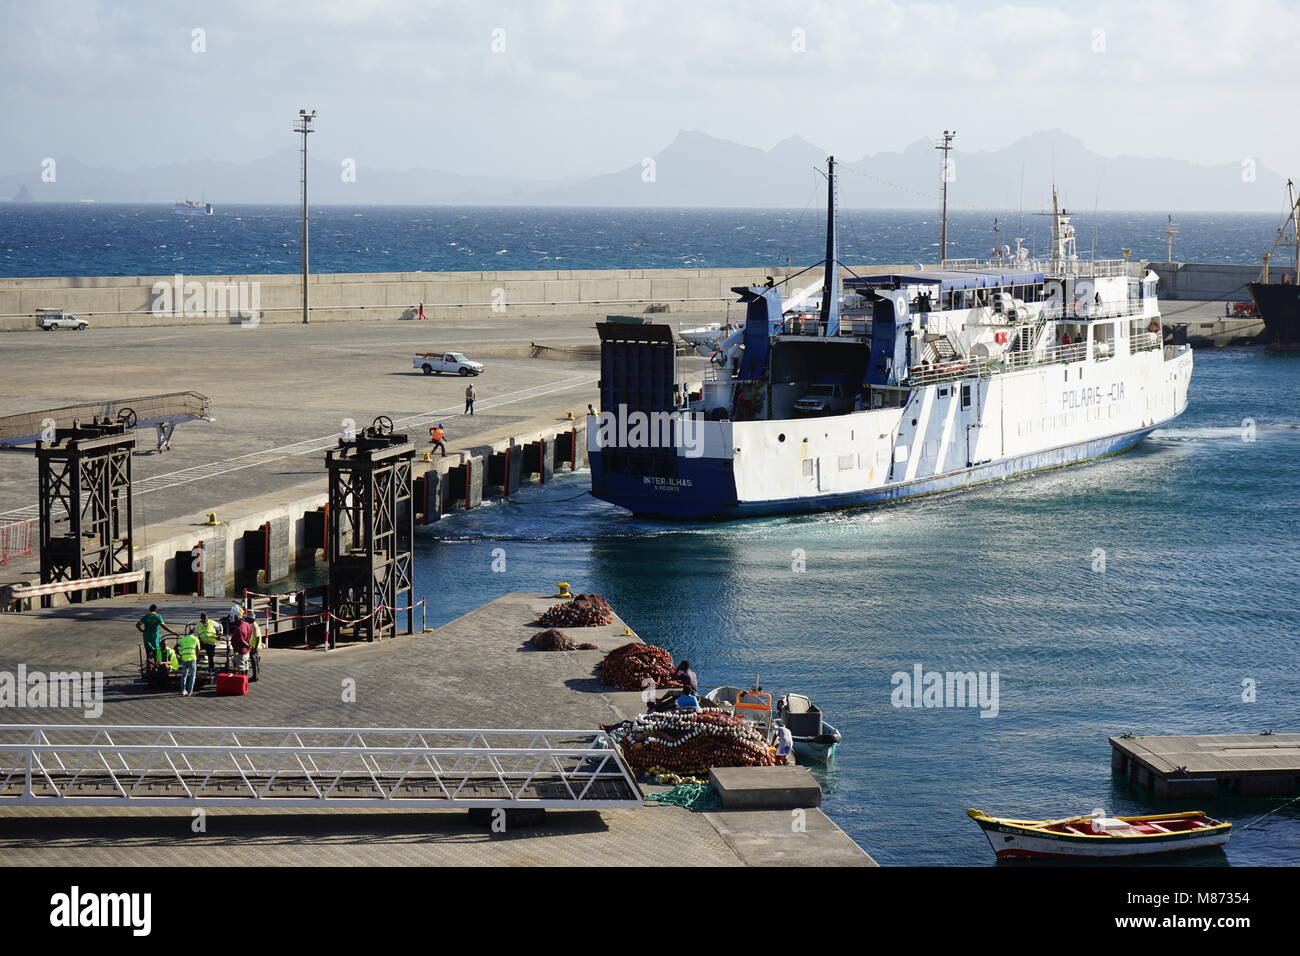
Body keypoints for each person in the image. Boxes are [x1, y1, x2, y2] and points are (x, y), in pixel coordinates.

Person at [176, 628, 200, 696]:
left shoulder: (183, 639)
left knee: (184, 675)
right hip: (192, 658)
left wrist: (180, 654)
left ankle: (183, 691)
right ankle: (189, 691)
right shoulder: (195, 639)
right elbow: (198, 649)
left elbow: (175, 647)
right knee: (192, 675)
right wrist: (196, 656)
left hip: (184, 658)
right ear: (194, 634)